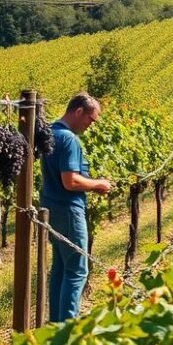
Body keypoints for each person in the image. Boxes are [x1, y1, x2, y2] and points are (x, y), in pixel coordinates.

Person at [41, 93, 111, 322]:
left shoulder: (50, 133)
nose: (91, 125)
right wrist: (98, 184)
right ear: (79, 111)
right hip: (69, 210)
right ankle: (68, 329)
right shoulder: (69, 139)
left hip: (52, 209)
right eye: (91, 119)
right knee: (77, 271)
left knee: (61, 269)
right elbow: (70, 181)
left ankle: (55, 325)